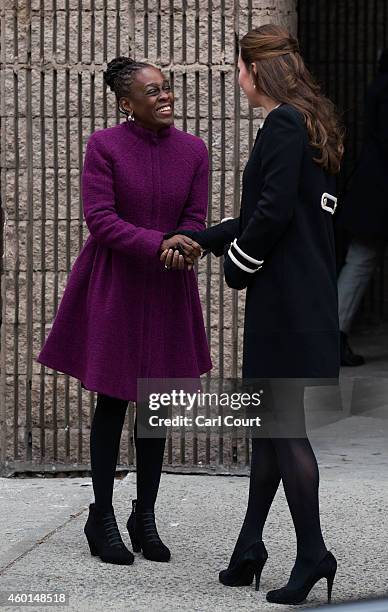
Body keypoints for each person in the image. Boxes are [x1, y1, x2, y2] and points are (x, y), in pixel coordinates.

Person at [166, 24, 344, 605]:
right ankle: (249, 549)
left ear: (255, 70)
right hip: (299, 300)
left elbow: (268, 215)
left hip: (286, 303)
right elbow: (275, 209)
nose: (235, 78)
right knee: (267, 430)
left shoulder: (285, 124)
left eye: (238, 67)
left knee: (283, 429)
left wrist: (236, 264)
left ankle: (314, 553)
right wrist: (202, 237)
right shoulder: (302, 122)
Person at [36, 57, 211, 565]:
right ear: (125, 102)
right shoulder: (104, 146)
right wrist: (162, 243)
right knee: (112, 403)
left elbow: (194, 218)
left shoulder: (194, 150)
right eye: (153, 91)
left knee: (156, 405)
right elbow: (100, 219)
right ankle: (103, 518)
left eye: (168, 89)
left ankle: (145, 516)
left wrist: (186, 245)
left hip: (167, 287)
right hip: (115, 285)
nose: (166, 97)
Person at [336, 49, 388, 366]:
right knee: (361, 260)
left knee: (360, 260)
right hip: (381, 192)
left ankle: (333, 335)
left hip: (373, 191)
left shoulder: (379, 85)